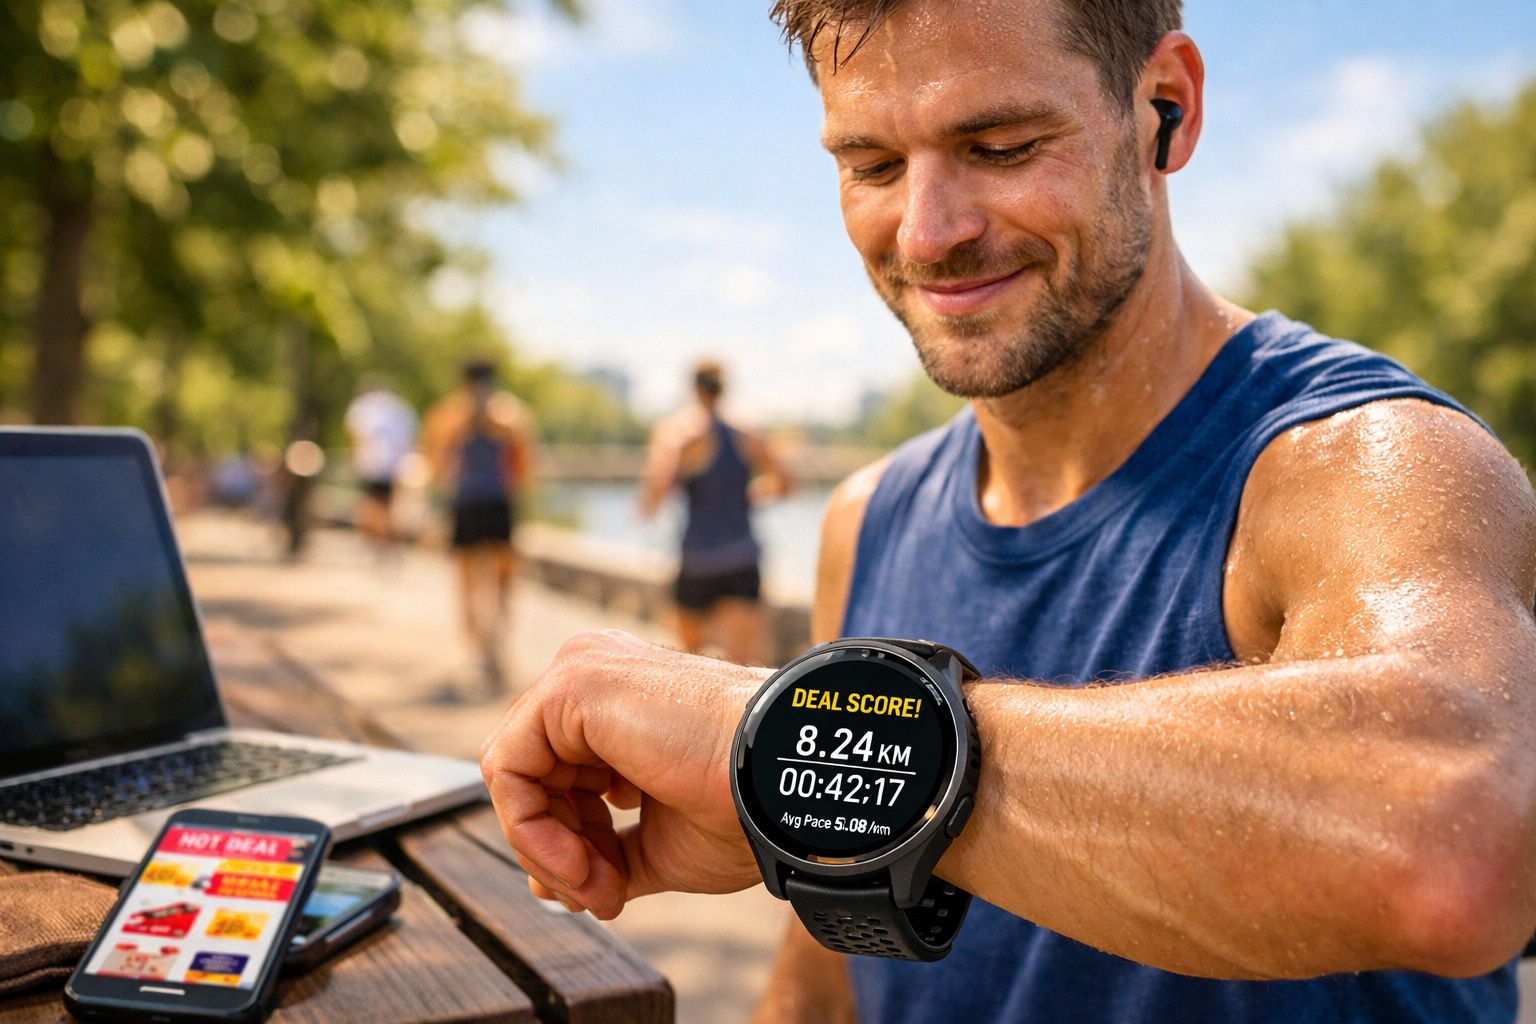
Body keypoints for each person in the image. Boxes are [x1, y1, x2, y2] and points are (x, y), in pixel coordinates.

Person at [477, 3, 1536, 1023]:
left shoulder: (1361, 459)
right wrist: (813, 783)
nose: (929, 233)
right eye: (872, 166)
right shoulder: (869, 516)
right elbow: (836, 966)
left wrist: (787, 739)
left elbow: (1458, 839)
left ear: (1165, 107)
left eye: (1001, 145)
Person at [639, 360, 791, 664]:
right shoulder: (747, 433)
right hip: (741, 559)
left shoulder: (678, 434)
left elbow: (651, 502)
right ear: (724, 388)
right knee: (741, 669)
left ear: (694, 388)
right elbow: (785, 483)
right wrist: (750, 494)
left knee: (692, 666)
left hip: (697, 562)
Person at [422, 359, 536, 691]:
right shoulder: (509, 412)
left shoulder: (450, 414)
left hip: (469, 503)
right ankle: (492, 641)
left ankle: (480, 646)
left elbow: (437, 463)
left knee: (469, 580)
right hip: (495, 503)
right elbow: (525, 464)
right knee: (499, 579)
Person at [344, 376, 418, 556]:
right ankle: (384, 541)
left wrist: (355, 459)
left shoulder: (364, 407)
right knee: (387, 505)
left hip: (371, 463)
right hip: (394, 465)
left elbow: (357, 437)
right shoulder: (402, 409)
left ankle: (376, 540)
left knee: (372, 503)